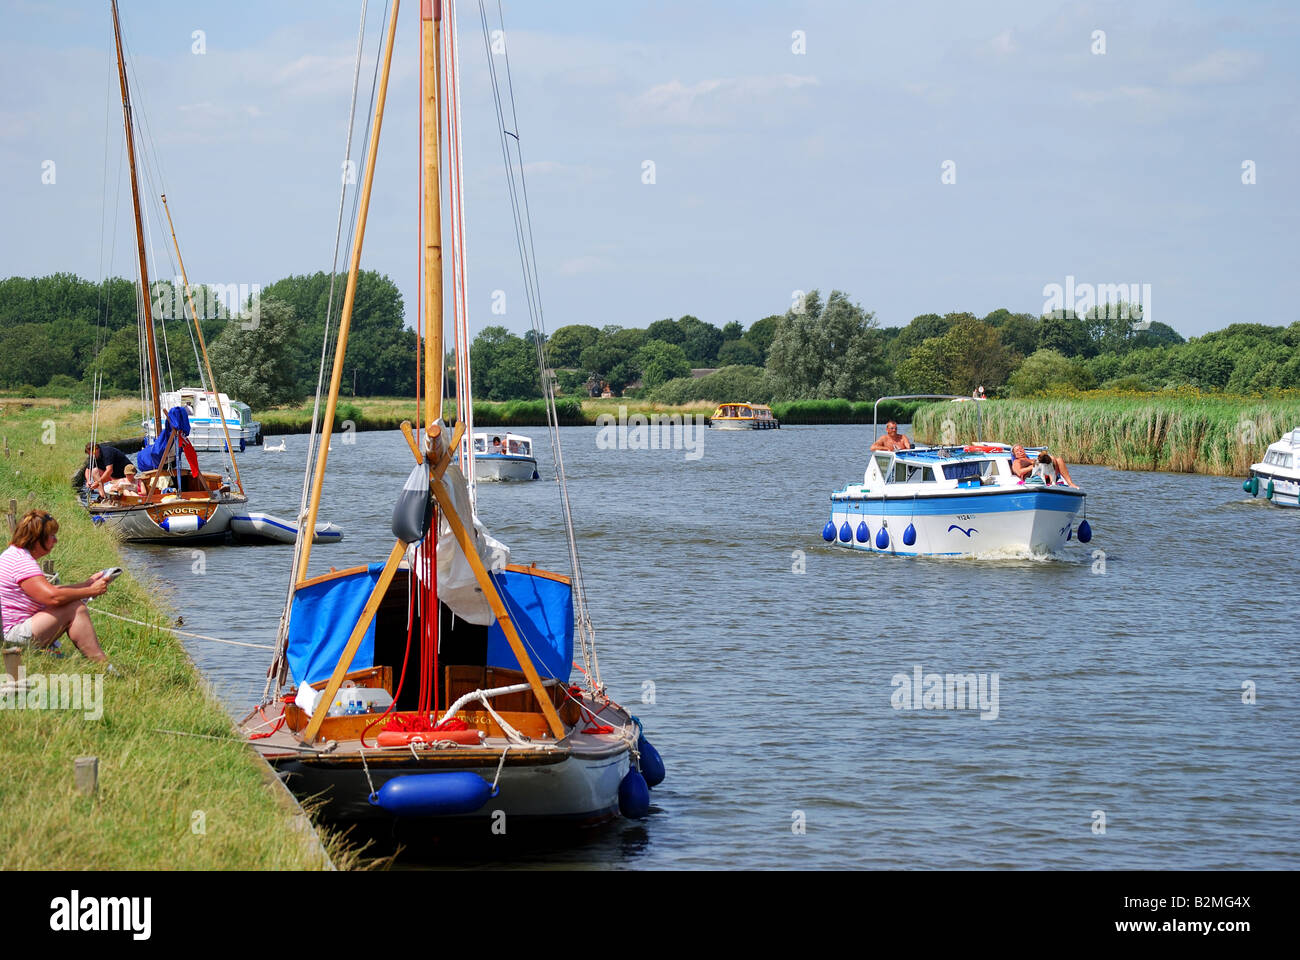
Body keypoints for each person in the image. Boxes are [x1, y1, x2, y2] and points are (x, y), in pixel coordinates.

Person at [0, 511, 111, 664]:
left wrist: (86, 584)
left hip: (10, 630)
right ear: (37, 538)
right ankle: (102, 664)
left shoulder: (15, 555)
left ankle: (100, 663)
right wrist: (91, 591)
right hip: (13, 635)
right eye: (52, 535)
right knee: (74, 607)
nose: (56, 540)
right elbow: (52, 597)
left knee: (73, 604)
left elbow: (48, 590)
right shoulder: (22, 563)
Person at [1011, 444, 1078, 487]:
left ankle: (1070, 483)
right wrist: (1032, 466)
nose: (1019, 450)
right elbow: (1019, 472)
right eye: (1017, 450)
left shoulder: (1031, 459)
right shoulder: (1017, 462)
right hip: (1032, 477)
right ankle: (1052, 482)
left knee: (1059, 460)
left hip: (1045, 474)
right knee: (1050, 459)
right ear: (1014, 454)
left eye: (1021, 449)